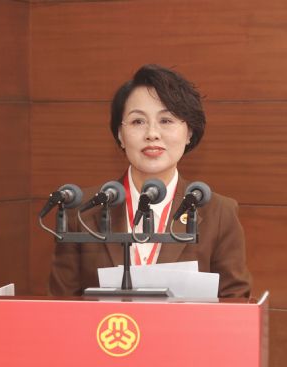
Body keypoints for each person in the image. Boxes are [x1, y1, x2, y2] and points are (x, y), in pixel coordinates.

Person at [47, 64, 252, 298]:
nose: (152, 134)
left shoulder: (219, 213)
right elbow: (61, 305)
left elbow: (235, 303)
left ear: (189, 132)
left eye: (166, 120)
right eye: (138, 121)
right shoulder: (82, 212)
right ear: (120, 135)